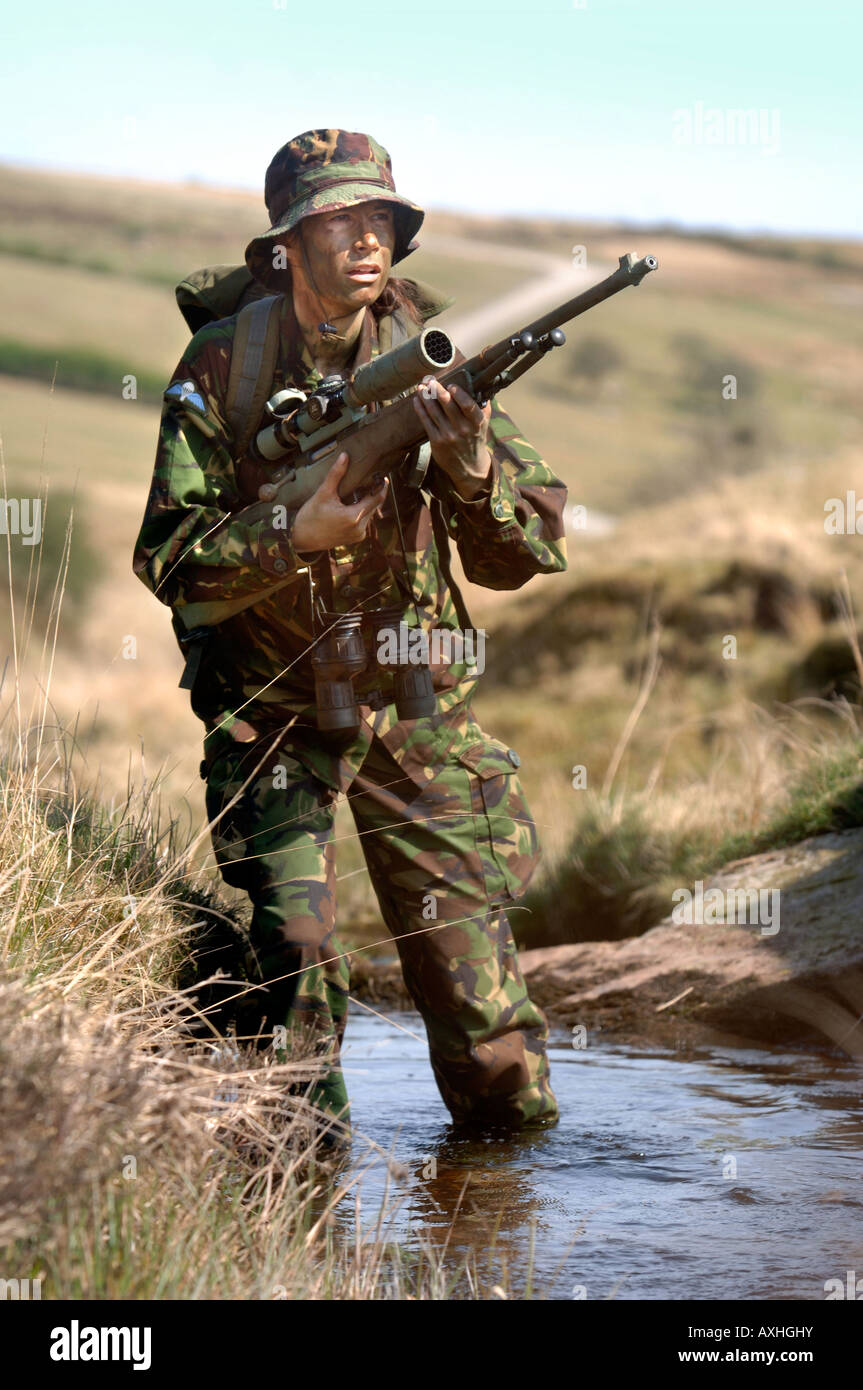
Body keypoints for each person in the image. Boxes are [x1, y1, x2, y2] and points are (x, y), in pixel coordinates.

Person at [133, 129, 568, 1146]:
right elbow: (168, 558)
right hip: (275, 715)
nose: (365, 241)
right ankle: (298, 1213)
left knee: (485, 1023)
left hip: (417, 712)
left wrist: (467, 472)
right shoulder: (221, 368)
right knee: (296, 972)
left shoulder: (431, 362)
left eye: (380, 221)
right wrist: (290, 533)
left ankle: (503, 1212)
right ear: (286, 244)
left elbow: (525, 554)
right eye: (338, 222)